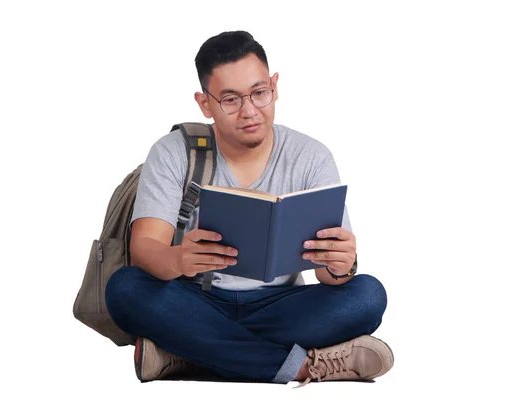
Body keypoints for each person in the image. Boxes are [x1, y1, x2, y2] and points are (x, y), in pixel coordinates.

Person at [105, 30, 393, 387]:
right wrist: (178, 258)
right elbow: (145, 247)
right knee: (125, 288)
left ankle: (186, 350)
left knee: (367, 295)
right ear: (205, 103)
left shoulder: (311, 157)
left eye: (260, 93)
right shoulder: (174, 151)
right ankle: (304, 368)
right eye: (230, 100)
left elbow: (331, 278)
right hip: (196, 298)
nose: (250, 111)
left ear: (274, 85)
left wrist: (342, 264)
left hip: (280, 306)